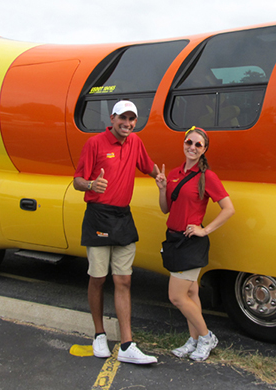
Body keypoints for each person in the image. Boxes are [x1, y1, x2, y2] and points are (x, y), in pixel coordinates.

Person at [74, 100, 160, 365]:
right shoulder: (95, 144)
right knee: (98, 278)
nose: (128, 124)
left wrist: (164, 179)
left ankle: (126, 344)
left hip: (123, 217)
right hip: (98, 216)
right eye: (123, 118)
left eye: (132, 119)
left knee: (124, 281)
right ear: (112, 118)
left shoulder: (135, 142)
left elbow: (150, 167)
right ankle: (99, 334)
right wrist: (91, 184)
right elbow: (77, 181)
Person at [154, 126, 235, 361]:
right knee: (190, 292)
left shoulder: (207, 176)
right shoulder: (174, 173)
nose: (192, 147)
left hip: (190, 243)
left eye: (198, 144)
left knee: (177, 297)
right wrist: (161, 189)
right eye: (189, 142)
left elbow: (229, 209)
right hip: (173, 238)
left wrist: (205, 230)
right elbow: (165, 209)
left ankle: (207, 336)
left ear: (204, 149)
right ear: (184, 144)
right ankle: (195, 339)